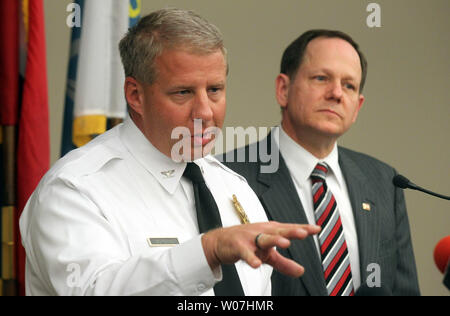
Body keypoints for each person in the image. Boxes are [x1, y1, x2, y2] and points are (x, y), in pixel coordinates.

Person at [19, 9, 320, 296]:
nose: (205, 111)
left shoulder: (233, 187)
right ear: (135, 95)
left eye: (214, 90)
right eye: (183, 92)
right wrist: (207, 251)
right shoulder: (75, 189)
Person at [225, 29, 420, 296]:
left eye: (349, 85)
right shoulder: (228, 176)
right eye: (321, 78)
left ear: (357, 107)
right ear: (283, 89)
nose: (336, 93)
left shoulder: (385, 181)